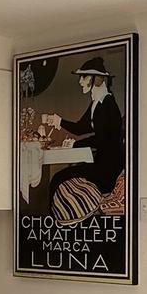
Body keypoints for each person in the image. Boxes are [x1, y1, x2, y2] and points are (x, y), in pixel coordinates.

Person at [42, 56, 126, 201]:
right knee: (58, 178)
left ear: (96, 79)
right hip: (102, 163)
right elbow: (81, 128)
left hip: (108, 168)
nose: (80, 81)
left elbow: (103, 140)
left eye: (84, 77)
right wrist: (59, 121)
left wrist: (76, 144)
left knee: (57, 178)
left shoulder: (108, 104)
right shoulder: (96, 102)